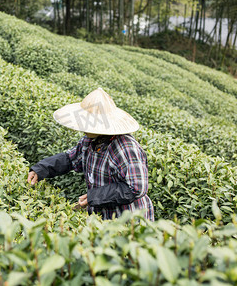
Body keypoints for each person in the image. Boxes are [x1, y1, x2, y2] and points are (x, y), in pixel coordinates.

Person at [27, 88, 154, 221]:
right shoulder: (89, 141)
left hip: (129, 220)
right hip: (103, 216)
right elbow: (70, 159)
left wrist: (95, 196)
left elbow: (136, 188)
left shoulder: (126, 148)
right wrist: (41, 169)